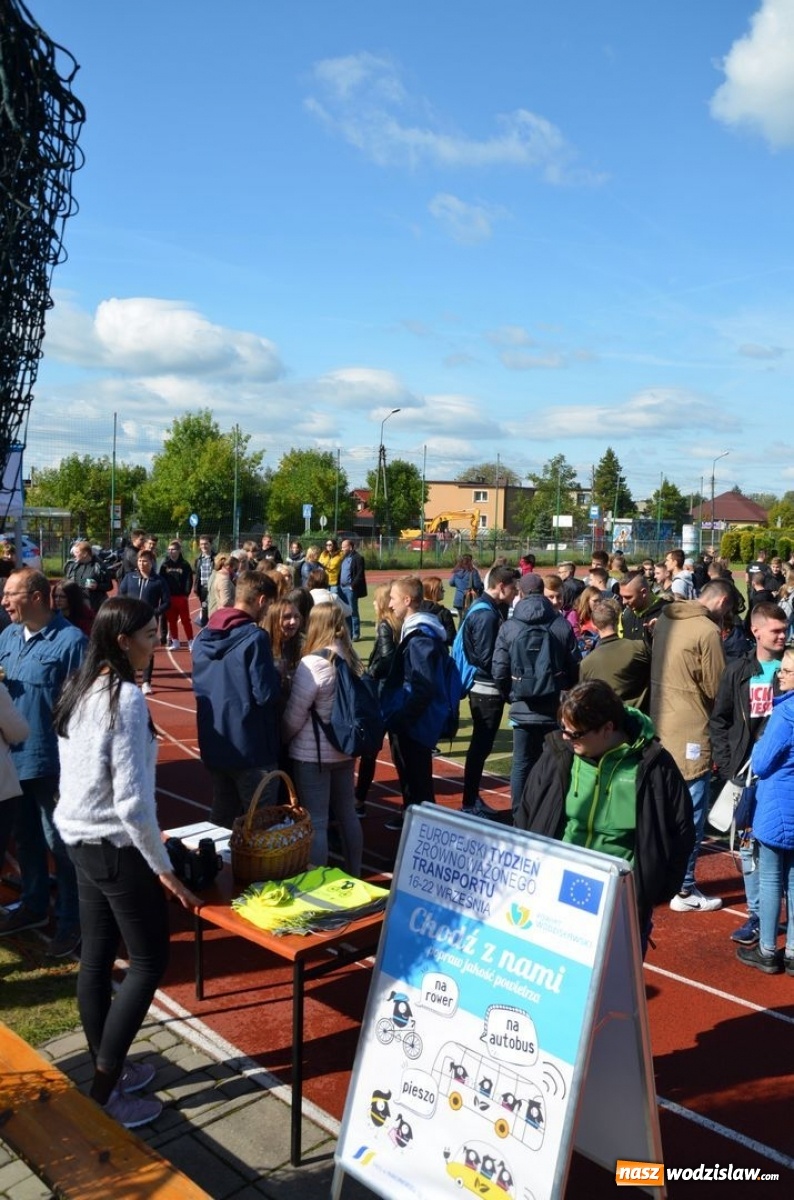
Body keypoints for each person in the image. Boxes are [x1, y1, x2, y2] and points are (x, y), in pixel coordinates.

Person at [53, 597, 198, 1128]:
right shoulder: (125, 699)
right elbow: (132, 803)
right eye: (150, 633)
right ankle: (106, 1091)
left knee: (96, 957)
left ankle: (105, 1069)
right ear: (122, 640)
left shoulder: (82, 687)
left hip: (79, 839)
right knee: (148, 961)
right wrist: (164, 870)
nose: (156, 641)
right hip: (113, 847)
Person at [515, 680, 694, 953]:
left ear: (608, 728)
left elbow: (680, 832)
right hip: (555, 894)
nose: (565, 738)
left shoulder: (655, 766)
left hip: (620, 902)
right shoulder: (557, 756)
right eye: (563, 729)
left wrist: (652, 892)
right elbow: (528, 811)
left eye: (575, 734)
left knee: (614, 990)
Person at [0, 569, 86, 956]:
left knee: (61, 846)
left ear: (36, 596)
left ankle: (72, 921)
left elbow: (83, 707)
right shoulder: (6, 637)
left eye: (10, 594)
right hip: (12, 762)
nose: (3, 602)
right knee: (28, 841)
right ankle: (34, 906)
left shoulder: (71, 642)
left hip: (52, 762)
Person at [650, 578, 734, 912]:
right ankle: (684, 889)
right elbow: (718, 688)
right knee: (691, 813)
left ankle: (663, 879)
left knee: (660, 811)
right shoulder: (706, 631)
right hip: (690, 732)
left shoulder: (667, 617)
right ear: (723, 601)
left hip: (660, 724)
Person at [710, 603, 788, 946]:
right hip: (746, 775)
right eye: (776, 631)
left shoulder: (790, 669)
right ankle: (758, 916)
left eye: (784, 630)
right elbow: (720, 720)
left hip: (784, 777)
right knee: (748, 848)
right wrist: (729, 768)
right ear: (756, 631)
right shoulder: (738, 671)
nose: (783, 636)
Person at [192, 571, 280, 825]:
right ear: (261, 600)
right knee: (261, 821)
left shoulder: (203, 637)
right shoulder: (255, 638)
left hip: (215, 740)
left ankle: (213, 863)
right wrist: (277, 674)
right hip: (252, 746)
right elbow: (265, 694)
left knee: (222, 812)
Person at [282, 602, 363, 875]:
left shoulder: (314, 663)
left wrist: (282, 738)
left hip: (312, 753)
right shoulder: (351, 658)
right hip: (344, 749)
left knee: (315, 821)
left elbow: (295, 714)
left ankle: (318, 880)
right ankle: (355, 872)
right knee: (347, 814)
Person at [492, 572, 580, 817]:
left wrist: (511, 694)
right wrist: (562, 688)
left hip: (522, 705)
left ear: (521, 592)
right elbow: (575, 664)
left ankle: (519, 813)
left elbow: (498, 668)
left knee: (521, 763)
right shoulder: (560, 624)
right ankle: (547, 813)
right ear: (542, 592)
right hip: (552, 705)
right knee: (553, 763)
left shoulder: (509, 626)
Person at [737, 651, 794, 974]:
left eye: (787, 670)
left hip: (776, 805)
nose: (780, 675)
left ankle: (768, 949)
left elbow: (760, 763)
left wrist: (759, 747)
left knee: (771, 878)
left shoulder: (785, 715)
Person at [382, 575, 452, 832]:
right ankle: (415, 821)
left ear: (407, 600)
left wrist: (402, 719)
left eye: (393, 599)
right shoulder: (419, 630)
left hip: (415, 725)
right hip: (415, 722)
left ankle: (420, 832)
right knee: (414, 780)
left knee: (416, 782)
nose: (390, 605)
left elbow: (423, 686)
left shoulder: (420, 636)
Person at [460, 565, 517, 818]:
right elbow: (486, 657)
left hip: (485, 687)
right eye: (513, 587)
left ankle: (471, 799)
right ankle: (469, 802)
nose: (515, 593)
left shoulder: (488, 609)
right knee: (480, 746)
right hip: (485, 689)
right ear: (501, 586)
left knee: (481, 746)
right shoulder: (486, 615)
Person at [355, 583, 401, 817]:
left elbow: (387, 657)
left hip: (380, 693)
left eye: (376, 600)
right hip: (393, 693)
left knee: (369, 750)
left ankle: (359, 800)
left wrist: (370, 673)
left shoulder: (385, 625)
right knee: (397, 750)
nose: (373, 603)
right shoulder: (398, 624)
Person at [578, 598, 651, 712]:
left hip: (609, 723)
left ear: (594, 626)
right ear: (617, 620)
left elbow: (586, 699)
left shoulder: (586, 664)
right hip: (642, 720)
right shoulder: (639, 648)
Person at [118, 550, 170, 696]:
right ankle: (130, 678)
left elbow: (167, 602)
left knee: (148, 649)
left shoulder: (159, 581)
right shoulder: (129, 577)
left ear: (152, 563)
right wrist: (125, 610)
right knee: (127, 647)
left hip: (149, 621)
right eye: (140, 560)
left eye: (145, 561)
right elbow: (120, 595)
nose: (142, 563)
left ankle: (146, 681)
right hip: (130, 618)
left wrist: (154, 612)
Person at [159, 540, 194, 649]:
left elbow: (189, 580)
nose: (171, 552)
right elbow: (161, 580)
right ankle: (175, 641)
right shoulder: (165, 565)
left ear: (179, 551)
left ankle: (190, 640)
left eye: (173, 549)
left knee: (185, 620)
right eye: (169, 550)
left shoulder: (185, 565)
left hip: (181, 597)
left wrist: (186, 594)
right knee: (172, 621)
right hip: (169, 597)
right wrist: (164, 595)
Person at [64, 540, 112, 613]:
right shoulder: (73, 565)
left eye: (77, 552)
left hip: (94, 606)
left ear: (85, 553)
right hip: (76, 604)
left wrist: (97, 586)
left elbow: (109, 585)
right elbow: (67, 581)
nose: (74, 555)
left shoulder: (99, 566)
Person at [338, 537, 367, 641]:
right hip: (341, 588)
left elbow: (359, 574)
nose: (342, 549)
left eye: (344, 547)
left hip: (350, 589)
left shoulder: (358, 558)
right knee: (344, 612)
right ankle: (347, 632)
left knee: (353, 611)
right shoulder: (343, 558)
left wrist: (352, 586)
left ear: (350, 547)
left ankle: (356, 633)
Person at [421, 576, 456, 646]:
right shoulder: (444, 612)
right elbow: (451, 638)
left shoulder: (415, 610)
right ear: (433, 591)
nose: (444, 591)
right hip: (439, 652)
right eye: (441, 589)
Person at [192, 535, 215, 627]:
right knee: (204, 608)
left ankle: (213, 627)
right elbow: (197, 575)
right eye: (201, 544)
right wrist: (195, 587)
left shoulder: (216, 558)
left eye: (206, 544)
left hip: (213, 588)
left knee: (213, 609)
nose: (203, 546)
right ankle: (204, 627)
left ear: (210, 544)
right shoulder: (198, 560)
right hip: (203, 590)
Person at [207, 553, 238, 617]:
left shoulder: (217, 575)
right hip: (222, 614)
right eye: (235, 569)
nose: (235, 572)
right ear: (228, 567)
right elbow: (226, 601)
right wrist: (240, 603)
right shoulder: (224, 580)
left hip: (217, 612)